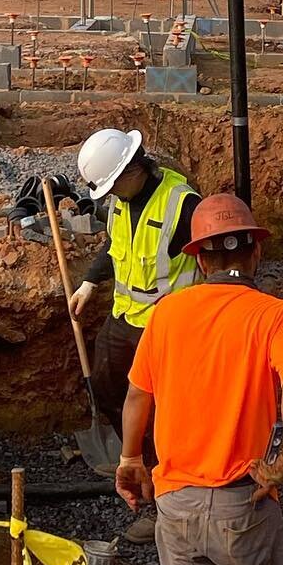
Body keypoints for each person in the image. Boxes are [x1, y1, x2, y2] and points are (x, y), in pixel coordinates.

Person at [115, 194, 283, 565]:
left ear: (201, 262)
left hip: (177, 503)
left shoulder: (166, 313)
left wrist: (130, 456)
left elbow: (138, 394)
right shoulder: (276, 315)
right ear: (256, 250)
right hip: (244, 504)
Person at [72, 127, 199, 540]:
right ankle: (139, 459)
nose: (109, 195)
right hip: (125, 318)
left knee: (166, 414)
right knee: (106, 386)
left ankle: (168, 501)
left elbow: (216, 261)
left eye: (111, 185)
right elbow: (114, 248)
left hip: (169, 327)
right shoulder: (121, 205)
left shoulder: (184, 205)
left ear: (132, 168)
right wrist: (90, 283)